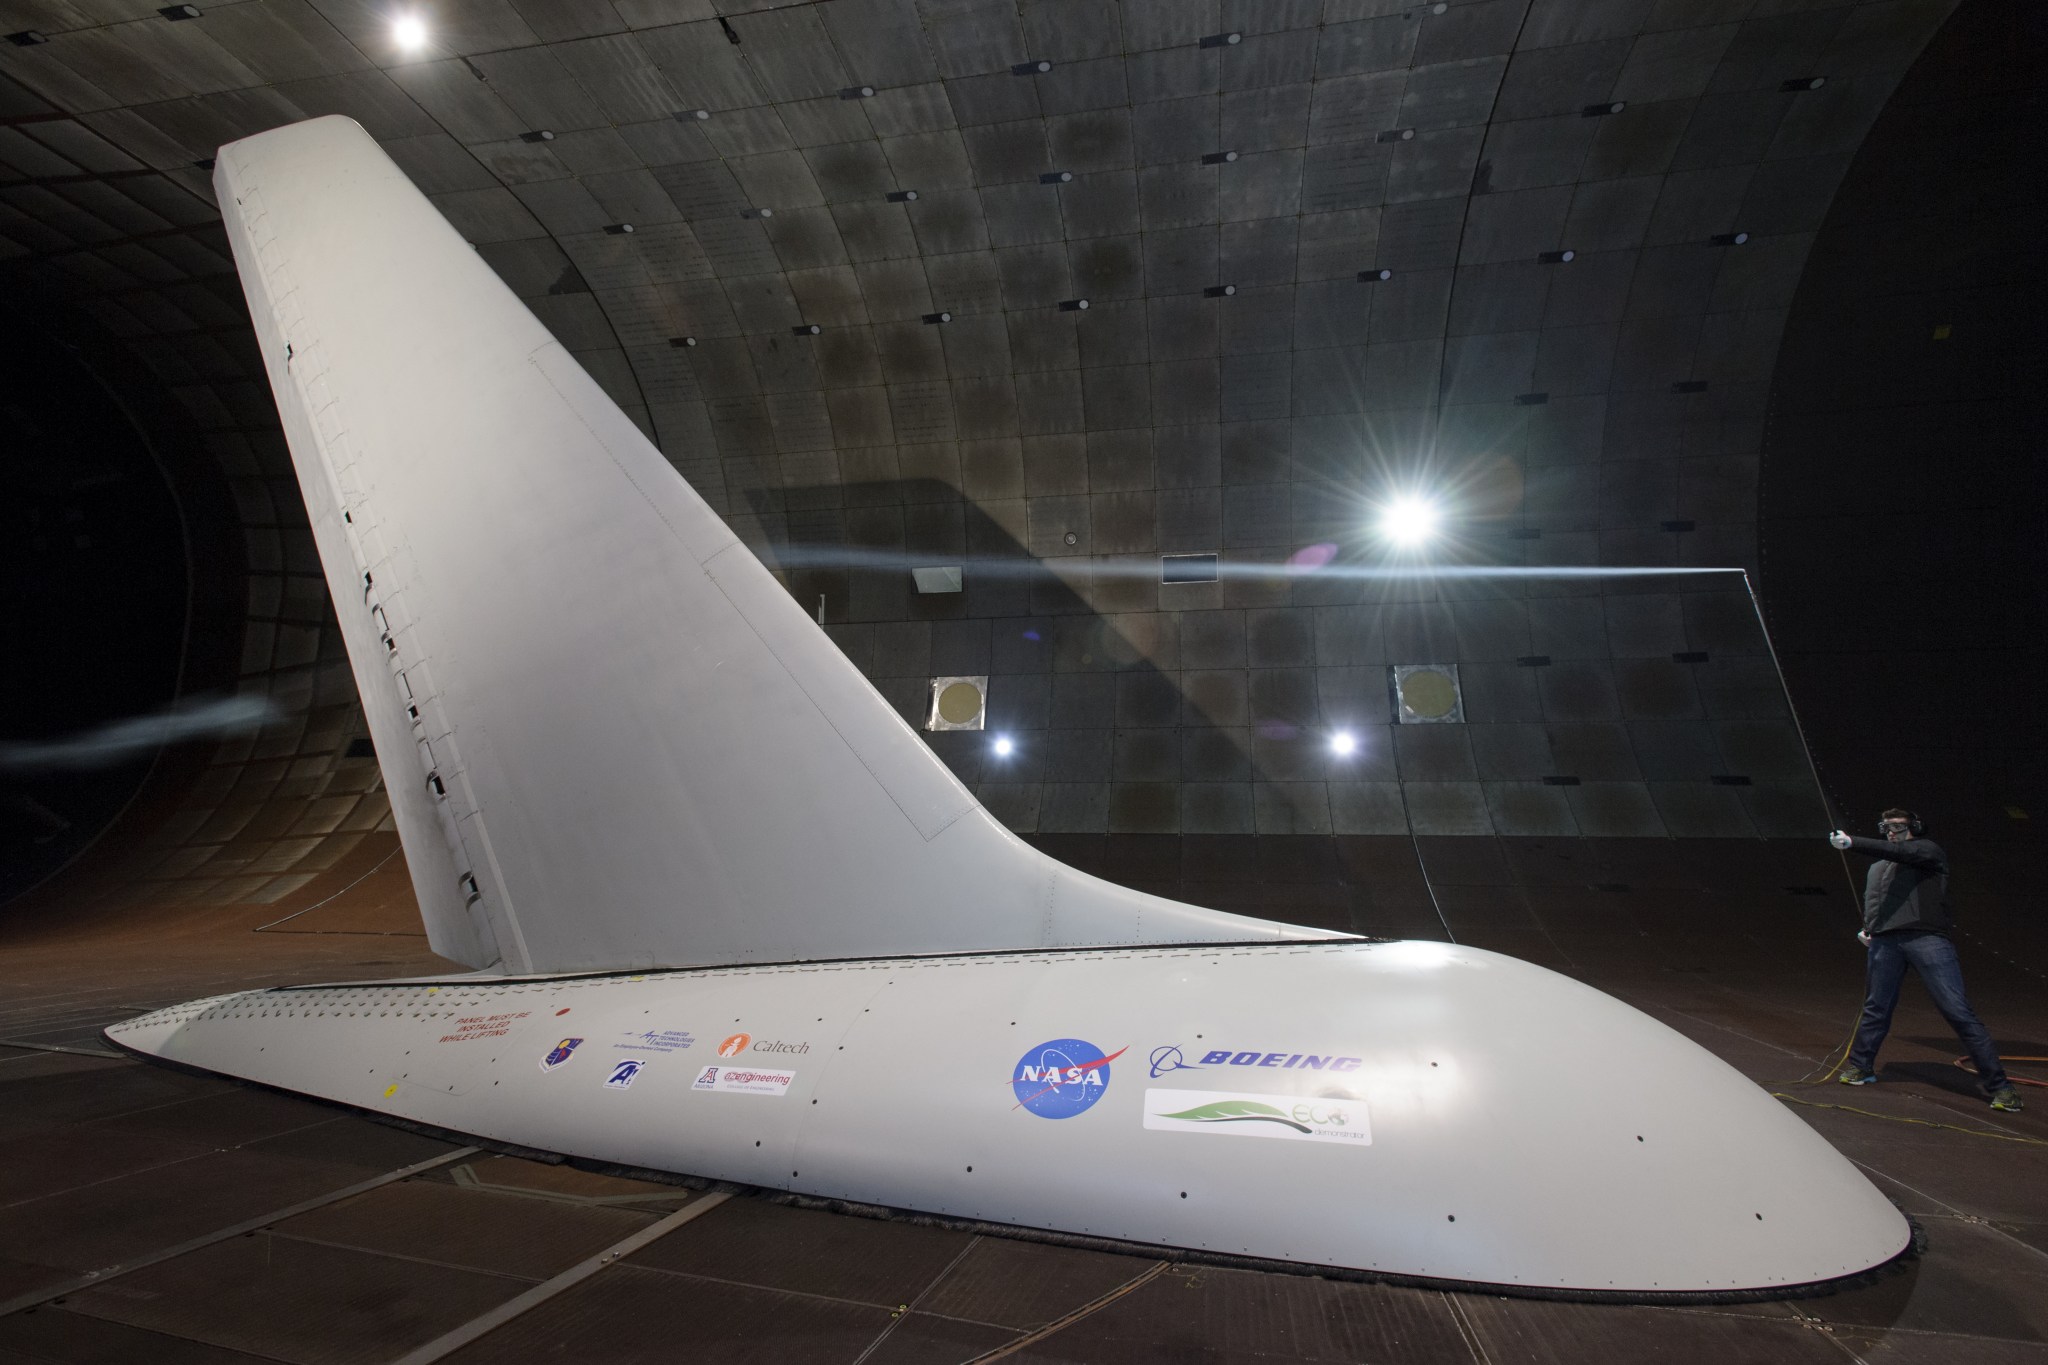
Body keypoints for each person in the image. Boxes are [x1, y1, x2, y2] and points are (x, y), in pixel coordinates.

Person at [1828, 810, 2021, 1112]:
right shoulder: (1878, 867)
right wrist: (1870, 928)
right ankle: (1861, 1067)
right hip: (1885, 942)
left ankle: (2001, 1087)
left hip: (1926, 939)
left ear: (1914, 828)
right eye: (1886, 827)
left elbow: (1905, 852)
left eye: (1898, 827)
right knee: (1876, 1007)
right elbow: (1876, 899)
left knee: (1956, 1010)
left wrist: (1853, 842)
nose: (1891, 832)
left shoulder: (1927, 851)